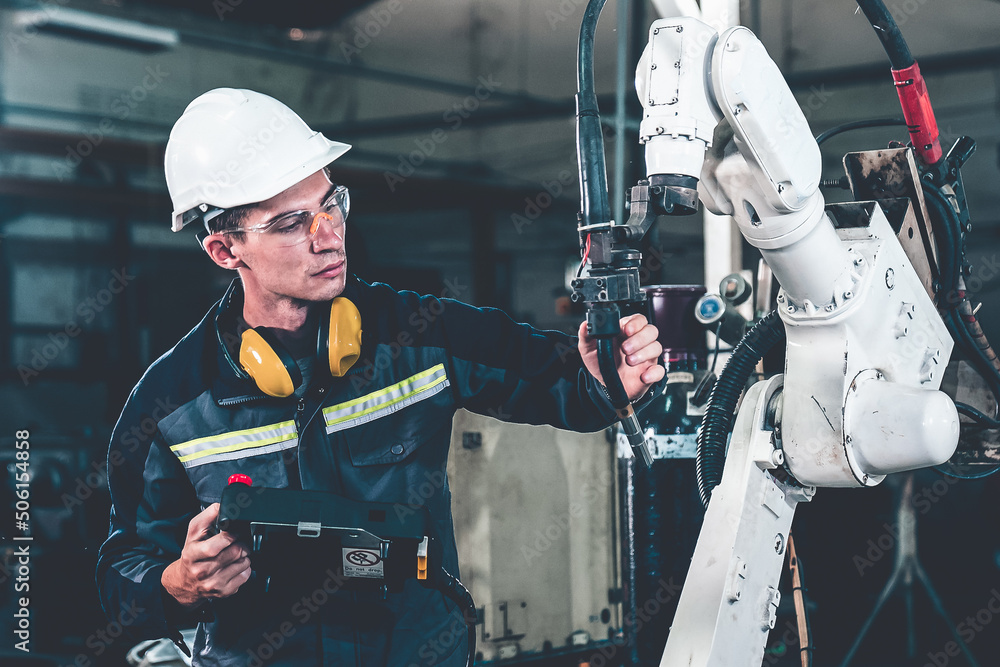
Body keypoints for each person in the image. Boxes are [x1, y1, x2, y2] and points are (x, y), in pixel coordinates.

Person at [96, 88, 665, 666]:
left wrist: (607, 377)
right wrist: (177, 583)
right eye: (293, 223)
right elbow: (122, 569)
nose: (329, 236)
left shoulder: (417, 333)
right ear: (225, 250)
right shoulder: (170, 402)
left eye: (331, 204)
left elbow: (560, 382)